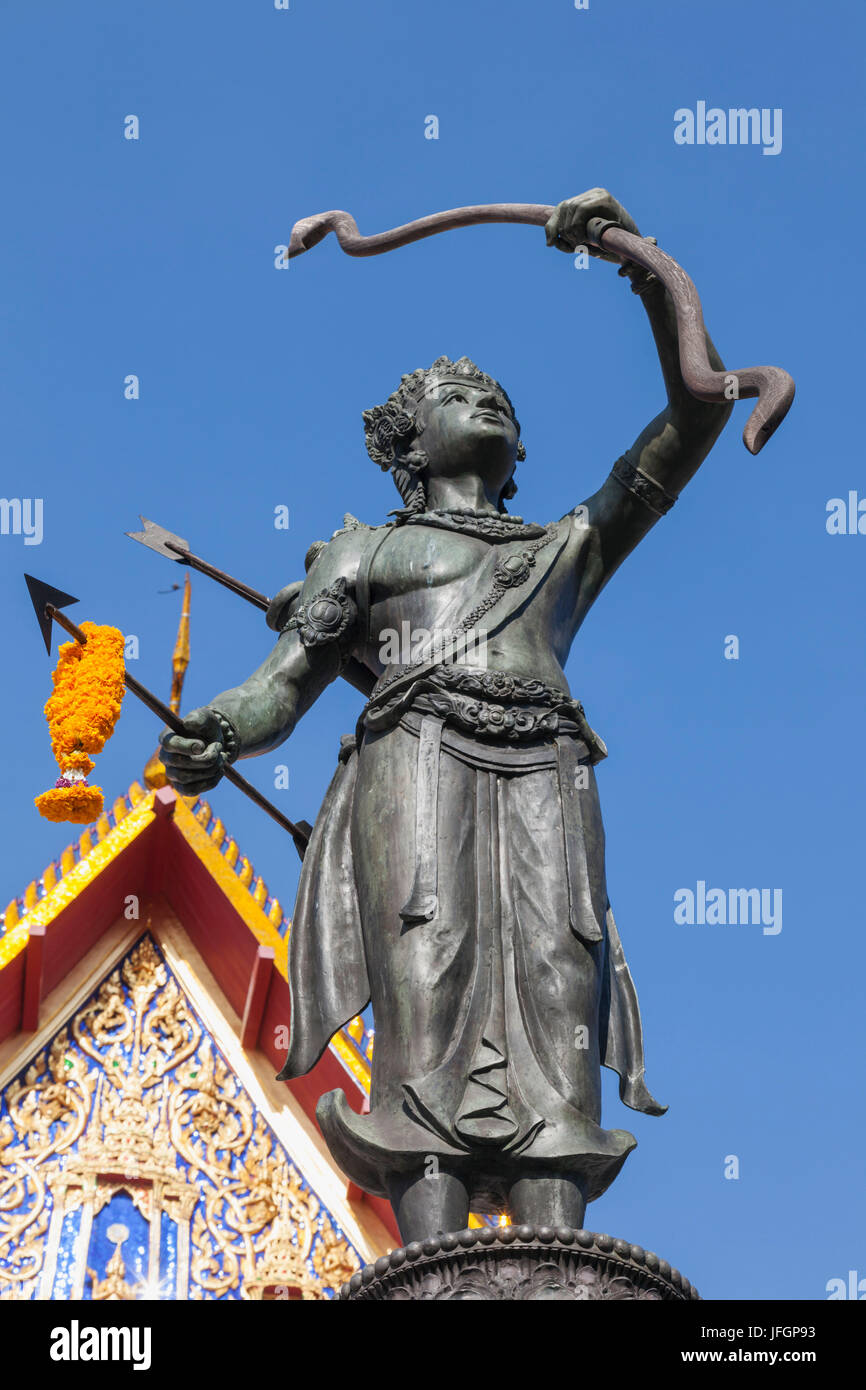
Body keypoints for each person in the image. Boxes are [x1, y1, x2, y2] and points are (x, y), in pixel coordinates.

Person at [160, 189, 733, 1242]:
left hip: (547, 764)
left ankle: (554, 1241)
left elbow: (697, 410)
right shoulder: (365, 552)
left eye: (496, 395)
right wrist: (225, 729)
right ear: (408, 445)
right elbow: (283, 680)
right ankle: (427, 1247)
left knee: (561, 977)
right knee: (427, 966)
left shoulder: (561, 547)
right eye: (458, 391)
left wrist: (645, 272)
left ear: (515, 454)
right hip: (416, 757)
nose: (485, 399)